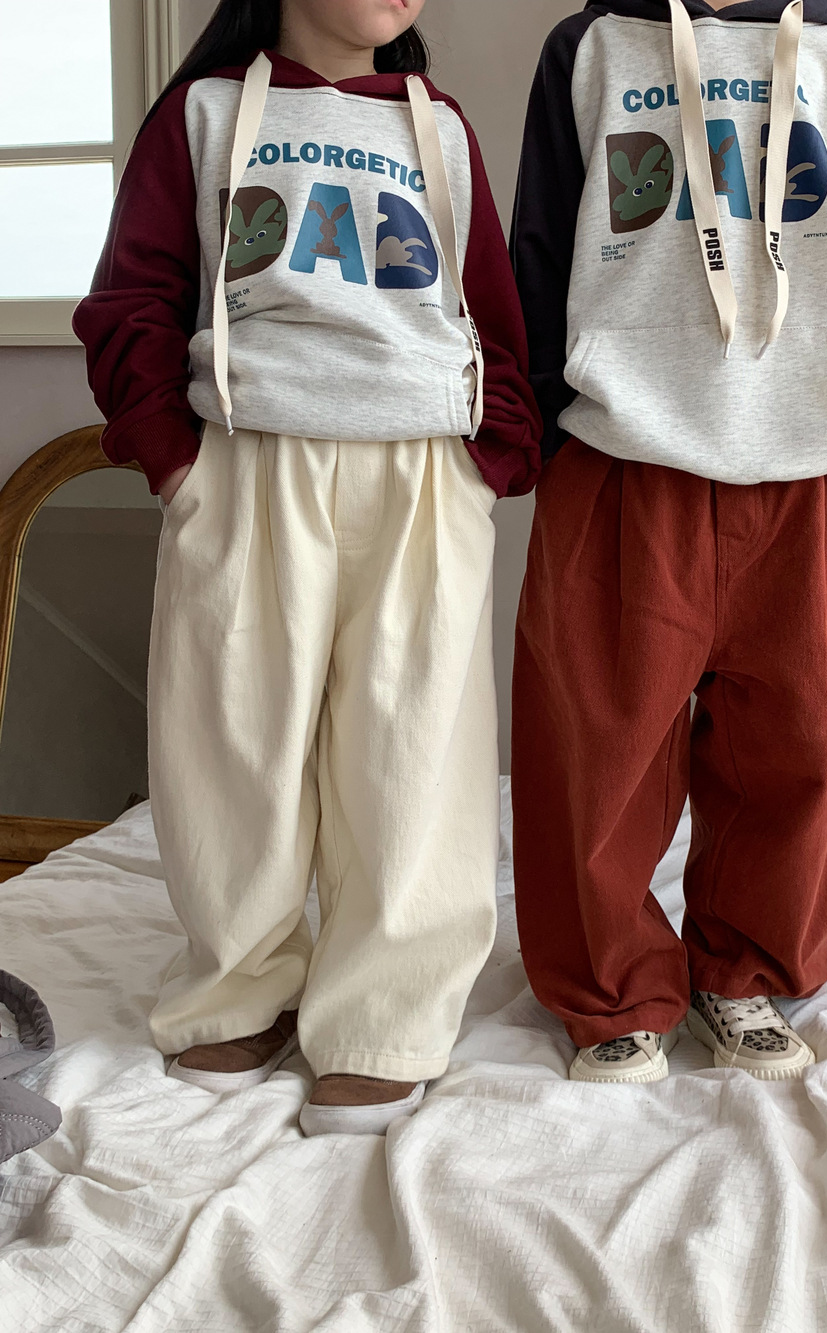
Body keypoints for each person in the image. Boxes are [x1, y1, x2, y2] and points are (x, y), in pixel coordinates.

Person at [74, 0, 541, 1135]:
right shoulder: (202, 114)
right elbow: (133, 295)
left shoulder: (439, 126)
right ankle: (238, 985)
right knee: (232, 734)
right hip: (248, 458)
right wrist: (176, 458)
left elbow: (488, 305)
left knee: (413, 745)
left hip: (422, 468)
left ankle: (384, 1015)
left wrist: (490, 458)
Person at [508, 0, 827, 1084]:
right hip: (626, 441)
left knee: (803, 742)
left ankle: (742, 971)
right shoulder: (591, 47)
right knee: (596, 749)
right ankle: (611, 987)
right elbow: (542, 239)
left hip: (818, 449)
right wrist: (540, 414)